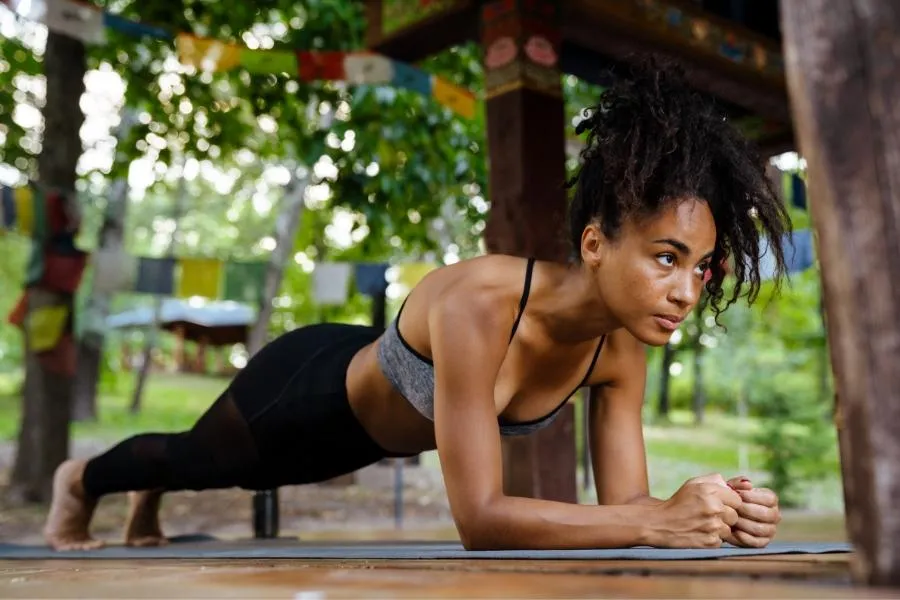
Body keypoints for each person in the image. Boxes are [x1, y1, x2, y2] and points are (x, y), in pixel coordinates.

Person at [45, 58, 790, 552]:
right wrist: (653, 519)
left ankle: (148, 497)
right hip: (304, 391)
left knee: (207, 468)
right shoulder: (481, 303)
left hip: (369, 439)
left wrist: (713, 509)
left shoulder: (621, 345)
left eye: (701, 269)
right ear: (595, 243)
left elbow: (629, 506)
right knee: (201, 460)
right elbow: (480, 519)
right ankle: (79, 481)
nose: (687, 292)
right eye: (666, 258)